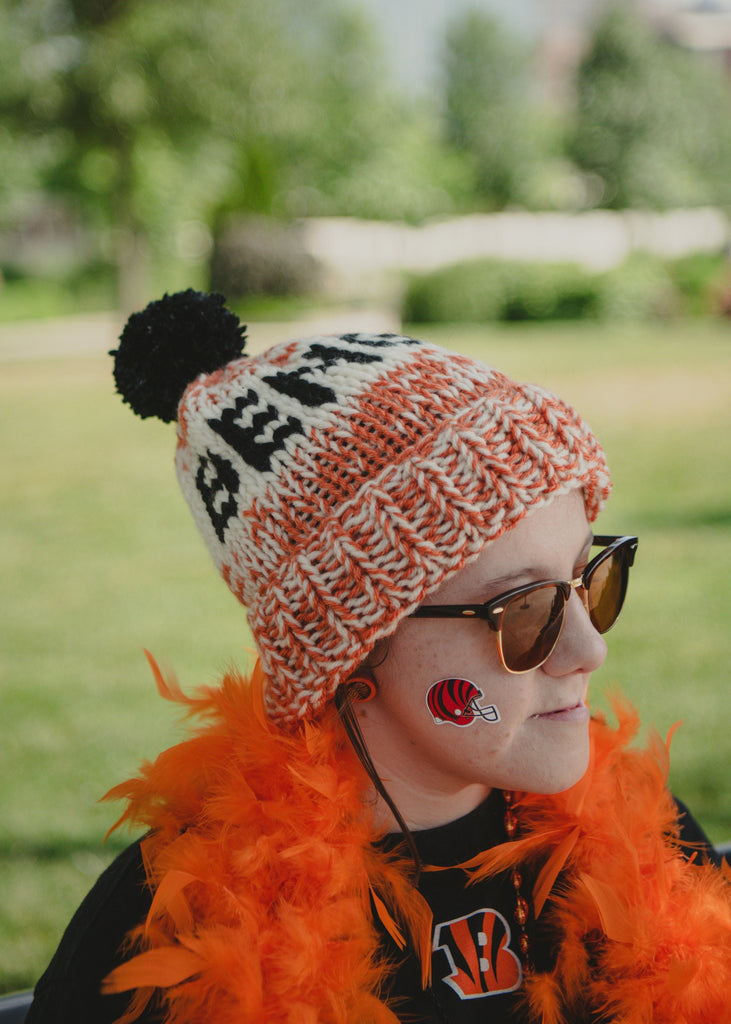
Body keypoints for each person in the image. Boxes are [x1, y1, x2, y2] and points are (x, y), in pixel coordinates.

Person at [27, 290, 731, 1024]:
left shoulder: (648, 843)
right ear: (351, 650)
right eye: (523, 611)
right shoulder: (177, 930)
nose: (590, 648)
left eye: (589, 580)